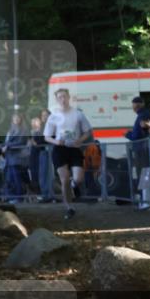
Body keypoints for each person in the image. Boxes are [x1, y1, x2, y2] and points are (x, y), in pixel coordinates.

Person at [44, 88, 93, 220]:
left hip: (74, 148)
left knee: (78, 178)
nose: (62, 99)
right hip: (60, 149)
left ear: (69, 97)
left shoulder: (78, 114)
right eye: (60, 97)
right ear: (57, 99)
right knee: (64, 179)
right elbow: (47, 137)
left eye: (64, 96)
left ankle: (73, 186)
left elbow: (87, 131)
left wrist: (80, 140)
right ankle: (69, 207)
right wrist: (56, 141)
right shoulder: (53, 116)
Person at [2, 113, 30, 203]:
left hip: (18, 158)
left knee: (17, 178)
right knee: (10, 178)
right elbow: (7, 142)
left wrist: (7, 146)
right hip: (10, 158)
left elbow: (21, 143)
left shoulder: (24, 130)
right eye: (14, 118)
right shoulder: (11, 130)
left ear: (21, 119)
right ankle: (11, 197)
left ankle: (19, 198)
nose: (16, 120)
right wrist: (2, 145)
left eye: (18, 118)